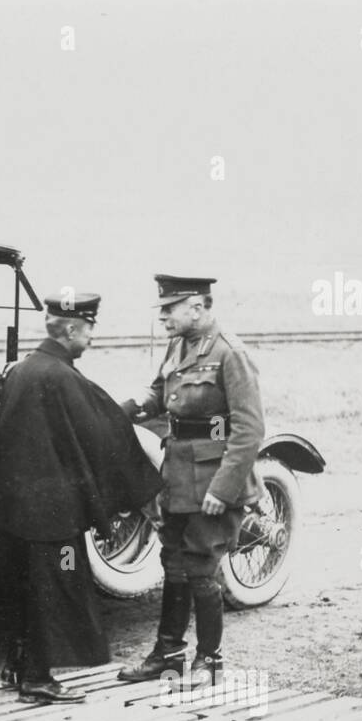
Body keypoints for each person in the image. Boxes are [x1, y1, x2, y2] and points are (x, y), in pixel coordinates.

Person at [0, 292, 162, 704]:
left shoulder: (21, 370)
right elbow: (101, 431)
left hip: (9, 509)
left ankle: (16, 666)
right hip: (49, 513)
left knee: (19, 588)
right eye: (89, 329)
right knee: (50, 592)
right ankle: (38, 679)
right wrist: (132, 410)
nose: (91, 338)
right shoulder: (63, 377)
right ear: (72, 329)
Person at [116, 275, 265, 688]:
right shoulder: (178, 345)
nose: (163, 315)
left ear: (197, 307)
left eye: (170, 307)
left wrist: (224, 488)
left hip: (213, 479)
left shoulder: (230, 353)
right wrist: (129, 407)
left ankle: (210, 660)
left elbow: (249, 430)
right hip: (179, 475)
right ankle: (168, 655)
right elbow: (161, 392)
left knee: (201, 567)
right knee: (173, 564)